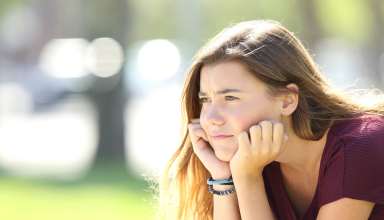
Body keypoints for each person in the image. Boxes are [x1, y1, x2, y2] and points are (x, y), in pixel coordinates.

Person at [156, 19, 384, 220]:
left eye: (231, 97)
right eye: (206, 99)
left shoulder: (360, 147)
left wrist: (247, 178)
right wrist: (223, 176)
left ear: (287, 101)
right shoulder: (253, 158)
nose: (211, 118)